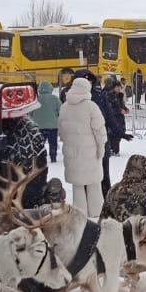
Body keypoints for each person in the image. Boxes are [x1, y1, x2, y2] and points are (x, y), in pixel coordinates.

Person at [58, 76, 107, 217]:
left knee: (77, 185)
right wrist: (101, 147)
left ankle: (80, 213)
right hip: (90, 152)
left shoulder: (64, 107)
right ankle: (96, 211)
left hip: (72, 152)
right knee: (94, 183)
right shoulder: (91, 106)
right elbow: (99, 130)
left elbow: (62, 130)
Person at [32, 81, 61, 163]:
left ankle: (39, 158)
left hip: (39, 126)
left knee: (39, 144)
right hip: (52, 126)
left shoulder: (36, 99)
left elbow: (30, 113)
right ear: (50, 89)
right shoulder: (54, 98)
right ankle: (53, 157)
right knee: (53, 143)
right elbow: (61, 110)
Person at [108, 81, 128, 155]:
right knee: (113, 135)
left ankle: (115, 150)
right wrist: (119, 111)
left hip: (120, 119)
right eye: (117, 86)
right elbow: (109, 109)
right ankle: (113, 150)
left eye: (120, 87)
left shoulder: (120, 95)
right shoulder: (109, 96)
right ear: (114, 87)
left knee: (120, 133)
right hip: (113, 119)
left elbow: (121, 105)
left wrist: (126, 109)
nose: (119, 88)